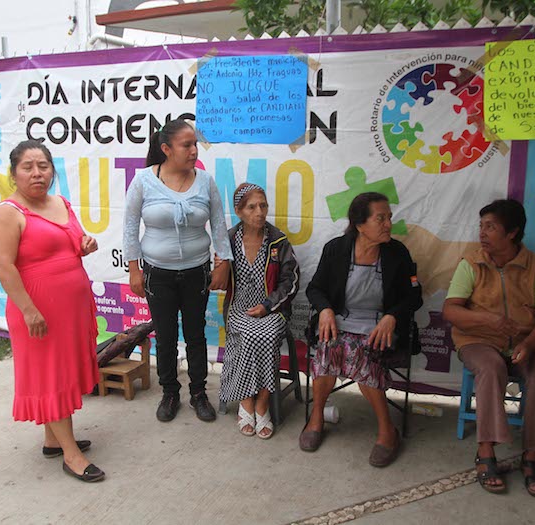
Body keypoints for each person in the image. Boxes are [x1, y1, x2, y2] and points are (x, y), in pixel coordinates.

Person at [0, 140, 104, 483]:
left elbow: (75, 242)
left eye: (43, 166)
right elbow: (4, 266)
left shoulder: (60, 203)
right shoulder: (8, 213)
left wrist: (86, 243)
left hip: (71, 308)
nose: (37, 173)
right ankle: (71, 455)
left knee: (62, 373)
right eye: (28, 167)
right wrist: (28, 309)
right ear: (14, 174)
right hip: (37, 312)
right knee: (50, 376)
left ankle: (54, 440)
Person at [442, 198, 535, 497]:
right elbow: (451, 311)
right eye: (481, 226)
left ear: (512, 233)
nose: (482, 233)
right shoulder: (472, 264)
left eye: (490, 227)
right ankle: (486, 452)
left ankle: (533, 455)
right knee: (491, 367)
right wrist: (487, 319)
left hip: (527, 341)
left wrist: (529, 343)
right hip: (478, 340)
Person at [301, 192, 422, 467]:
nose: (388, 224)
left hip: (379, 325)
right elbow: (315, 288)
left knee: (360, 351)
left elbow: (415, 295)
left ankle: (387, 432)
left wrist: (392, 316)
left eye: (389, 217)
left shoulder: (397, 253)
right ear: (359, 224)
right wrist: (325, 309)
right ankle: (316, 417)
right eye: (381, 218)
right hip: (342, 319)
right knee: (328, 347)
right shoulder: (336, 249)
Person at [124, 119, 233, 423]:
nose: (194, 150)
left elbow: (219, 224)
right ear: (166, 149)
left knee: (196, 335)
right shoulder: (143, 180)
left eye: (195, 144)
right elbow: (130, 227)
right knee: (166, 336)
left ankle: (198, 393)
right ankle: (170, 393)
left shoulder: (205, 181)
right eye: (187, 145)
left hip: (197, 271)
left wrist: (223, 263)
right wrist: (134, 270)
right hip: (158, 274)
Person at [219, 184, 300, 439]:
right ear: (239, 211)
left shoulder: (277, 240)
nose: (260, 212)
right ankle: (246, 400)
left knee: (265, 334)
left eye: (263, 205)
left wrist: (267, 305)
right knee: (248, 335)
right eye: (252, 207)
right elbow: (216, 281)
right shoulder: (229, 240)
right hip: (238, 308)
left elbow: (291, 280)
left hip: (272, 308)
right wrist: (217, 268)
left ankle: (262, 402)